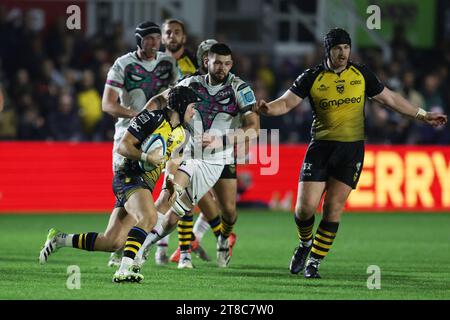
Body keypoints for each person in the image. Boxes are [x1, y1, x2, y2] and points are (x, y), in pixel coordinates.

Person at [255, 28, 448, 278]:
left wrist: (423, 115)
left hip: (351, 150)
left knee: (333, 209)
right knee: (304, 209)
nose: (343, 53)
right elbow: (286, 102)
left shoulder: (361, 74)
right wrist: (267, 109)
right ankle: (304, 245)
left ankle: (314, 261)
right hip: (321, 148)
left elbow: (390, 99)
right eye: (338, 48)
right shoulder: (311, 77)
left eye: (346, 47)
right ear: (328, 50)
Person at [39, 86, 199, 283]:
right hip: (128, 176)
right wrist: (146, 156)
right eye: (192, 107)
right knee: (148, 216)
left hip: (144, 184)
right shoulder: (150, 118)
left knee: (112, 241)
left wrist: (171, 181)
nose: (194, 112)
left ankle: (59, 239)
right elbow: (124, 146)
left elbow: (173, 160)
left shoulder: (183, 133)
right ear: (181, 106)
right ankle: (124, 270)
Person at [136, 43, 259, 269]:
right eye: (217, 62)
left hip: (220, 157)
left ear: (231, 64)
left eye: (227, 63)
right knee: (170, 202)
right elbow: (163, 99)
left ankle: (224, 238)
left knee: (229, 212)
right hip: (189, 153)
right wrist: (142, 119)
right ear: (206, 62)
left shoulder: (239, 88)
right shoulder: (191, 84)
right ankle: (143, 248)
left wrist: (221, 140)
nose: (222, 67)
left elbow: (253, 128)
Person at [100, 21, 179, 268]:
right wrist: (138, 115)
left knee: (164, 197)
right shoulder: (123, 65)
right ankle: (125, 248)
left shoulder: (169, 64)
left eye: (157, 38)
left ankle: (126, 246)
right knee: (137, 199)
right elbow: (108, 104)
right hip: (129, 140)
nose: (154, 42)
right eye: (149, 38)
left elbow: (179, 94)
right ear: (139, 40)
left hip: (162, 139)